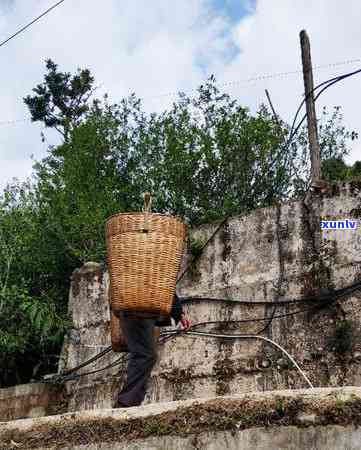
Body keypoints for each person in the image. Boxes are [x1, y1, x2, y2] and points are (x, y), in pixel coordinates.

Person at [116, 293, 190, 408]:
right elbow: (165, 285)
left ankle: (129, 401)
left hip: (128, 310)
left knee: (142, 354)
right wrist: (178, 312)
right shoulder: (148, 277)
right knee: (145, 355)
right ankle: (126, 402)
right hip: (140, 311)